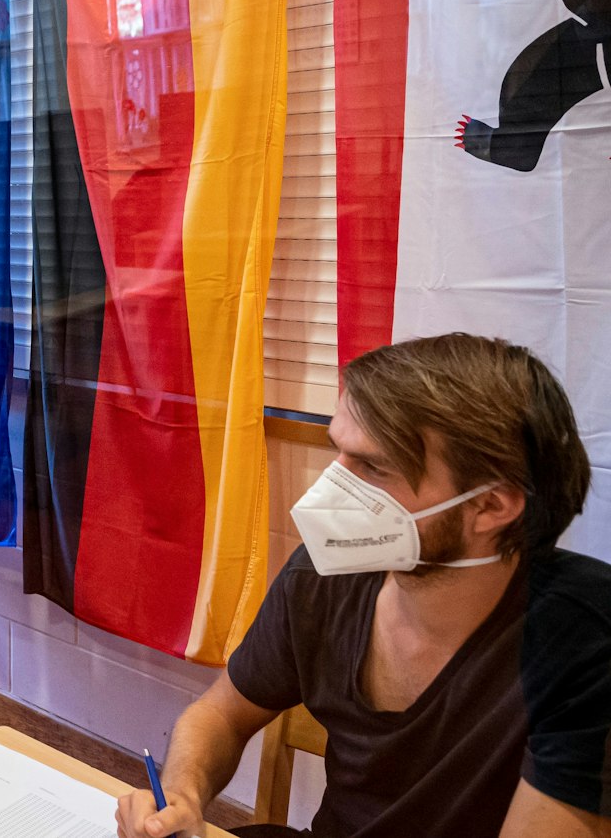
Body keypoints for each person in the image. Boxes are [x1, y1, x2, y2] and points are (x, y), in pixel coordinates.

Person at [115, 334, 611, 838]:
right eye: (340, 454)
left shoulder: (586, 641)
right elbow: (220, 715)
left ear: (491, 506)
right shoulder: (322, 579)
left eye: (372, 467)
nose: (329, 488)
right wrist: (182, 794)